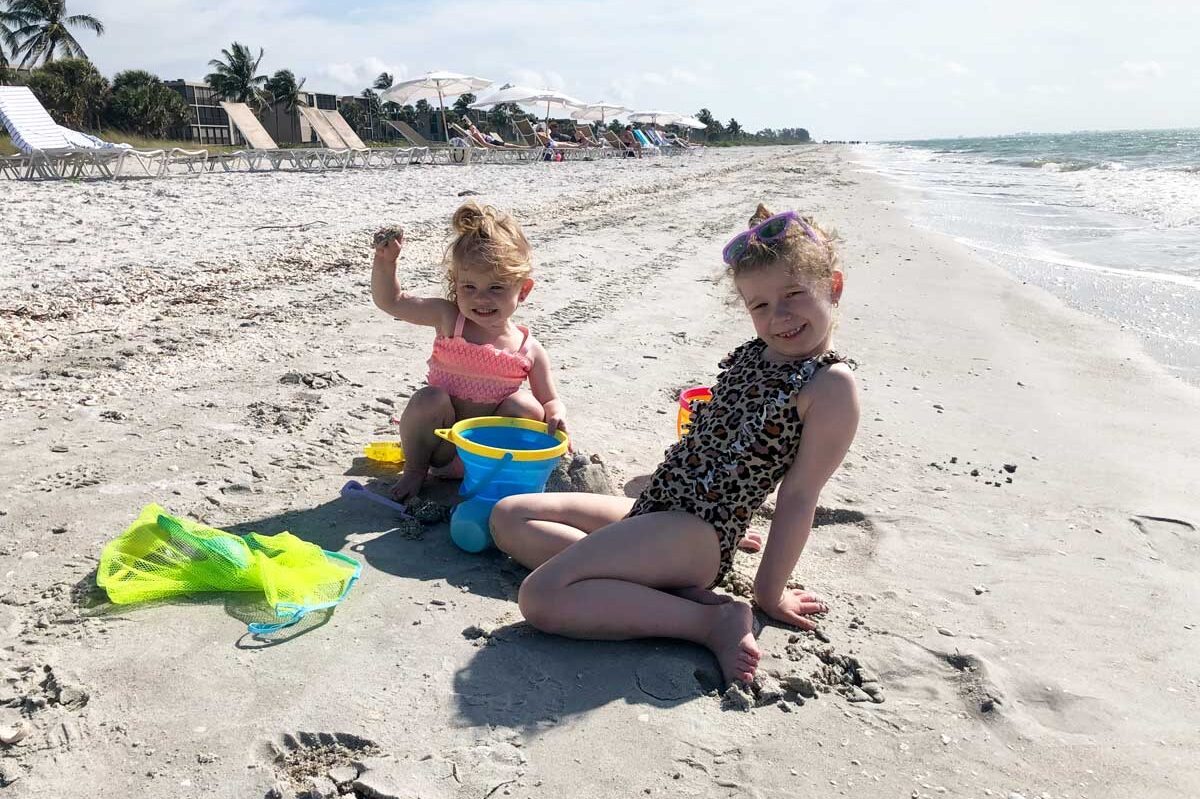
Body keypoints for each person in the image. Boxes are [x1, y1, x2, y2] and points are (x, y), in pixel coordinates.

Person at [490, 204, 859, 684]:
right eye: (760, 305)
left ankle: (711, 621)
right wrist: (733, 517)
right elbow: (719, 449)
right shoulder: (756, 354)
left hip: (693, 536)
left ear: (833, 286)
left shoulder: (830, 385)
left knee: (540, 597)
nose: (779, 317)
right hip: (660, 510)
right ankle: (650, 589)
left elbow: (798, 496)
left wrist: (770, 594)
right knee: (508, 515)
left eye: (794, 294)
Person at [371, 202, 568, 501]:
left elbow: (550, 400)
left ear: (523, 291)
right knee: (429, 398)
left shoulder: (529, 348)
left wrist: (556, 413)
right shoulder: (449, 319)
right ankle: (415, 471)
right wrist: (386, 264)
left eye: (497, 288)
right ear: (456, 285)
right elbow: (393, 302)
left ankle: (499, 484)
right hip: (441, 448)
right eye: (469, 287)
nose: (481, 299)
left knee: (527, 407)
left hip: (489, 456)